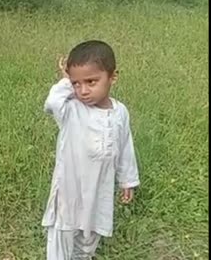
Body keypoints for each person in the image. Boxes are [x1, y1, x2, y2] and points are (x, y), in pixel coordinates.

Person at [42, 40, 140, 259]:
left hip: (99, 189)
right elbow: (51, 102)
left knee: (88, 240)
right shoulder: (70, 109)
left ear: (113, 77)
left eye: (91, 81)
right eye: (76, 84)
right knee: (61, 239)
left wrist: (127, 180)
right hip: (69, 192)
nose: (83, 90)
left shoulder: (120, 112)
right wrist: (67, 81)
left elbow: (125, 147)